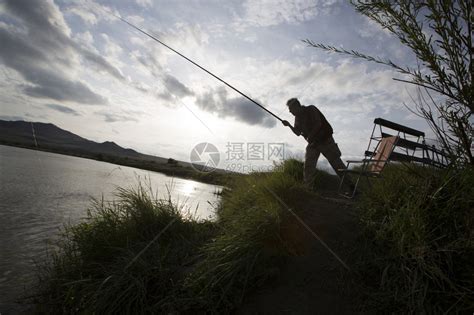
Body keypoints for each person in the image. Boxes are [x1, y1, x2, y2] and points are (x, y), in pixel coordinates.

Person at [281, 98, 350, 188]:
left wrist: (310, 136)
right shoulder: (297, 118)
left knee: (337, 165)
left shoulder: (311, 109)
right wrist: (289, 125)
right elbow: (298, 133)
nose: (290, 112)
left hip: (325, 140)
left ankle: (352, 187)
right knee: (308, 166)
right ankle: (308, 188)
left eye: (291, 110)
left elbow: (318, 124)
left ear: (297, 106)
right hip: (313, 144)